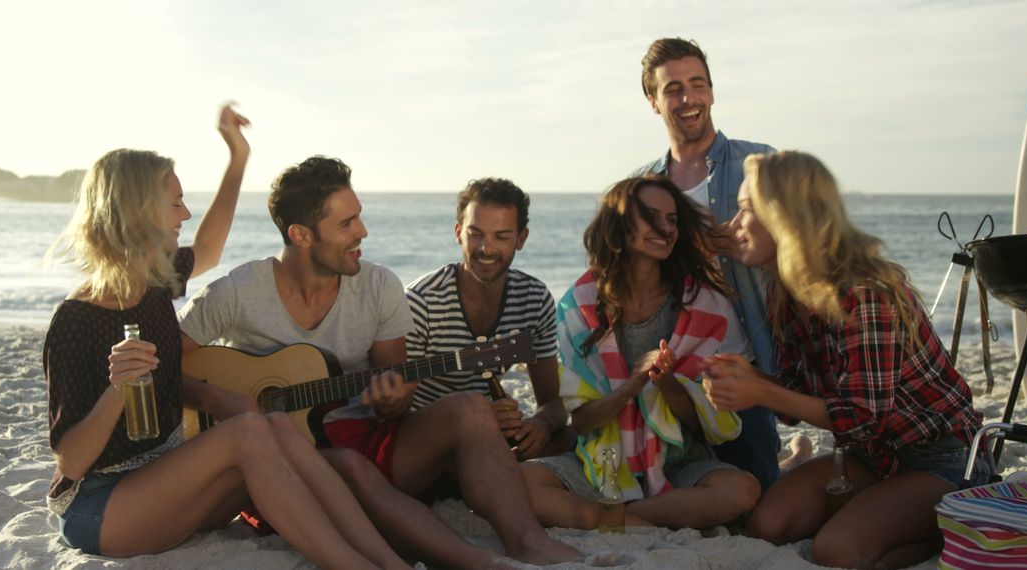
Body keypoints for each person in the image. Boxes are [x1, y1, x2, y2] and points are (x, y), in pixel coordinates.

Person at [43, 106, 409, 568]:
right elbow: (71, 463)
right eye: (175, 202)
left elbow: (211, 246)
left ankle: (388, 562)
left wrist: (237, 158)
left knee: (273, 424)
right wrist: (118, 391)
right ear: (138, 213)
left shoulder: (155, 285)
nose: (186, 212)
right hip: (101, 507)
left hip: (168, 476)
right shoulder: (75, 320)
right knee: (251, 431)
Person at [177, 156, 580, 568]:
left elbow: (396, 402)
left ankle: (527, 541)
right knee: (348, 466)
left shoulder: (380, 287)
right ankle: (477, 561)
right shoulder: (237, 291)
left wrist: (392, 401)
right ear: (300, 234)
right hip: (278, 474)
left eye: (360, 217)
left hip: (365, 442)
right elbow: (161, 368)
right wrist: (214, 400)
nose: (362, 232)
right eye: (346, 224)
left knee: (472, 409)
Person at [703, 150, 988, 569]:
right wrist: (749, 380)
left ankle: (942, 536)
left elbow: (862, 417)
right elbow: (800, 397)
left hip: (942, 459)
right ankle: (893, 522)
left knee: (835, 550)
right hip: (871, 457)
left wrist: (761, 390)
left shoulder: (865, 292)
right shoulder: (785, 290)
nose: (733, 225)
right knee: (767, 524)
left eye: (746, 209)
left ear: (784, 216)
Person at [520, 176, 760, 530]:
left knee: (741, 490)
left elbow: (707, 427)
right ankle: (640, 518)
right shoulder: (581, 304)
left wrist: (667, 385)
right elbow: (583, 421)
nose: (665, 228)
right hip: (603, 457)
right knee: (521, 480)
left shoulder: (701, 304)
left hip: (678, 458)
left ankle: (620, 519)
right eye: (651, 216)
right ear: (619, 223)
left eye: (673, 219)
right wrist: (634, 385)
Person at [631, 37, 786, 488]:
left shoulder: (760, 163)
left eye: (697, 84)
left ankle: (787, 457)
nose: (687, 98)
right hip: (669, 373)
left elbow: (806, 251)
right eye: (673, 89)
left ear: (712, 91)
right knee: (668, 489)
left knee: (757, 494)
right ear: (653, 102)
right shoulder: (641, 188)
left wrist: (752, 245)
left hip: (741, 367)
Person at [406, 178, 571, 459]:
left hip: (486, 436)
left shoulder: (534, 298)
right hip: (425, 444)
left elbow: (552, 402)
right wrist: (475, 418)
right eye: (476, 233)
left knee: (576, 437)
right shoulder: (421, 302)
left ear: (521, 239)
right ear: (458, 233)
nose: (486, 247)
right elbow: (393, 415)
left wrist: (539, 424)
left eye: (501, 236)